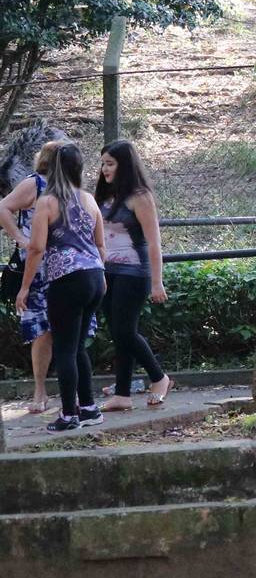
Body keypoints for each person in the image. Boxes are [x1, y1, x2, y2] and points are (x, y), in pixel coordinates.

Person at [13, 144, 106, 432]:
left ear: (52, 169)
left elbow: (37, 247)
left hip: (66, 279)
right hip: (94, 277)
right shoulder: (89, 200)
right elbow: (100, 244)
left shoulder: (48, 201)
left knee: (64, 349)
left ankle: (68, 415)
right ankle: (89, 408)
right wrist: (101, 274)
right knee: (78, 347)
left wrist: (25, 287)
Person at [0, 140, 91, 414]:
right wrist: (20, 237)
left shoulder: (75, 191)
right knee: (42, 332)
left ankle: (75, 395)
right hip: (38, 269)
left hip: (68, 270)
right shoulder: (35, 185)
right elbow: (3, 207)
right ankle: (40, 391)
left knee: (71, 335)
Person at [95, 140, 173, 410]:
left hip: (134, 272)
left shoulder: (140, 197)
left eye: (110, 163)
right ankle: (123, 395)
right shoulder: (104, 197)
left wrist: (156, 281)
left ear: (124, 165)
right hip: (107, 272)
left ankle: (159, 377)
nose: (104, 169)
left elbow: (154, 242)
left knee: (125, 330)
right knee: (118, 333)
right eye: (103, 163)